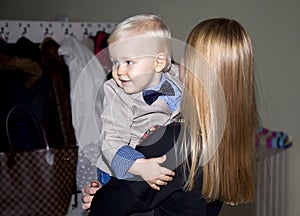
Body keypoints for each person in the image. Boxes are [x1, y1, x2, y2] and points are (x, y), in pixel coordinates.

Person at [83, 17, 259, 216]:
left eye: (186, 56)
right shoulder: (225, 137)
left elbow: (109, 206)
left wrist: (100, 198)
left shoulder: (174, 143)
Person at [96, 13, 182, 191]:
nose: (119, 71)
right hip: (120, 167)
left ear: (159, 63)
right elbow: (111, 141)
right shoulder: (116, 92)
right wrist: (139, 166)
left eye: (128, 62)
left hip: (157, 162)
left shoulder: (177, 76)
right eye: (115, 62)